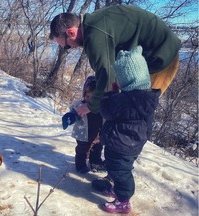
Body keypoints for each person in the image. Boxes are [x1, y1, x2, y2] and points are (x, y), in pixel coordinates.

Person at [49, 5, 181, 117]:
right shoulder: (93, 23)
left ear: (71, 32)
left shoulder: (95, 35)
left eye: (67, 46)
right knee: (124, 104)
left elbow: (107, 76)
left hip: (160, 57)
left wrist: (90, 106)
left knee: (136, 110)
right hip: (151, 54)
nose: (70, 49)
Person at [97, 46, 160, 214]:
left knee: (119, 171)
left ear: (127, 80)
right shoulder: (148, 98)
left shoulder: (123, 100)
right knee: (123, 168)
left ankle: (123, 200)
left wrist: (109, 94)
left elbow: (106, 111)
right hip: (134, 144)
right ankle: (120, 191)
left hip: (119, 145)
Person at [62, 76, 105, 173]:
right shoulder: (80, 105)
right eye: (87, 96)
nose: (89, 100)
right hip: (84, 134)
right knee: (82, 150)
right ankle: (80, 165)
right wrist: (71, 117)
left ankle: (95, 162)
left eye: (93, 98)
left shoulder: (102, 106)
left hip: (98, 134)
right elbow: (74, 113)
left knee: (97, 148)